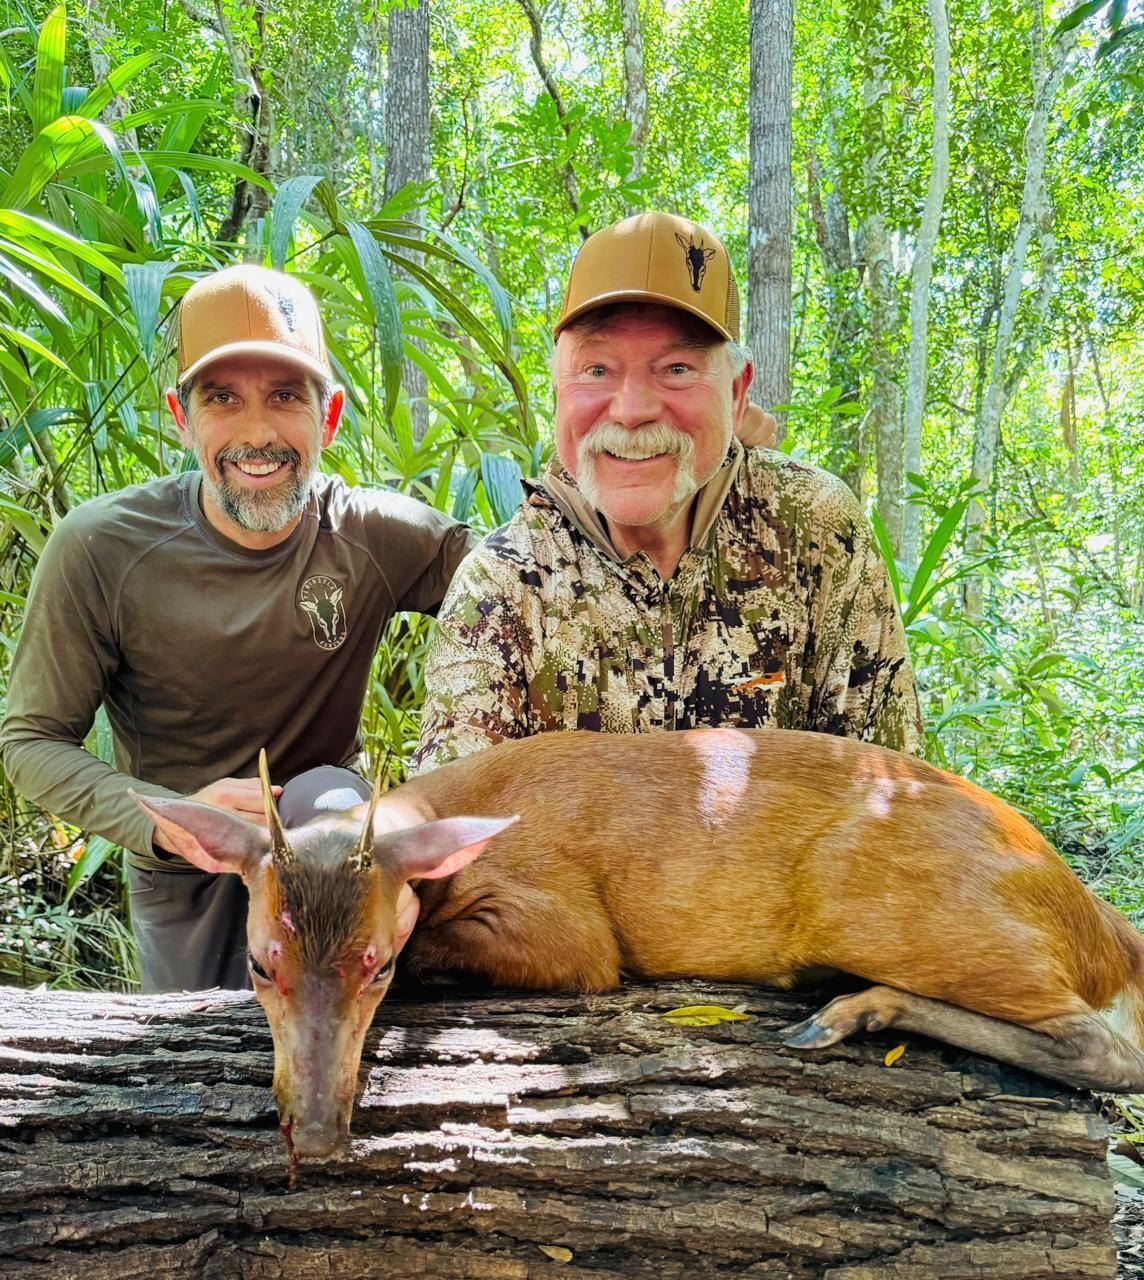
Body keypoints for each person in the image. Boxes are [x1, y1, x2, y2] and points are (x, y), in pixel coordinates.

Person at [0, 265, 475, 992]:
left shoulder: (373, 536)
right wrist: (166, 820)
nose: (257, 433)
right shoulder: (103, 548)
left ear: (329, 416)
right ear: (181, 416)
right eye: (222, 398)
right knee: (193, 1053)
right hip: (185, 869)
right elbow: (31, 741)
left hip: (328, 842)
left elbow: (519, 580)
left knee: (329, 824)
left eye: (286, 396)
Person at [412, 211, 921, 773]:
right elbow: (454, 810)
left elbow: (888, 789)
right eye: (597, 369)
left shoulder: (813, 529)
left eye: (676, 368)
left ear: (736, 393)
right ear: (558, 388)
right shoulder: (506, 583)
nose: (632, 410)